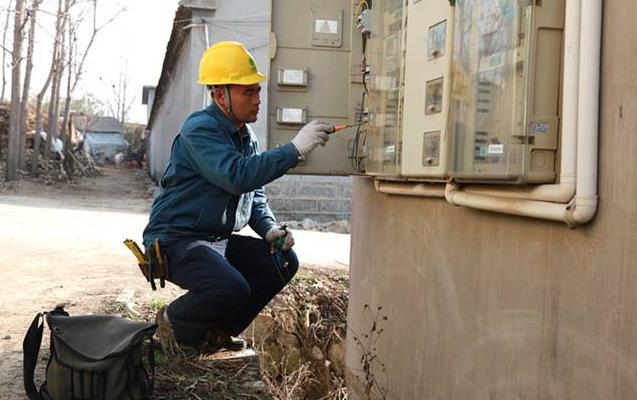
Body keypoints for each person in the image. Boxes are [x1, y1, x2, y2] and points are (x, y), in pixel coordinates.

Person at [142, 41, 332, 354]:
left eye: (257, 91)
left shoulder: (246, 135)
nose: (258, 99)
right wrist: (295, 149)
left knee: (282, 261)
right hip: (176, 240)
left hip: (213, 239)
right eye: (248, 92)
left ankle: (218, 332)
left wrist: (269, 229)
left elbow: (253, 192)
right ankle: (173, 325)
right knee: (230, 287)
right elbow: (238, 175)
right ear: (219, 95)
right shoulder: (200, 129)